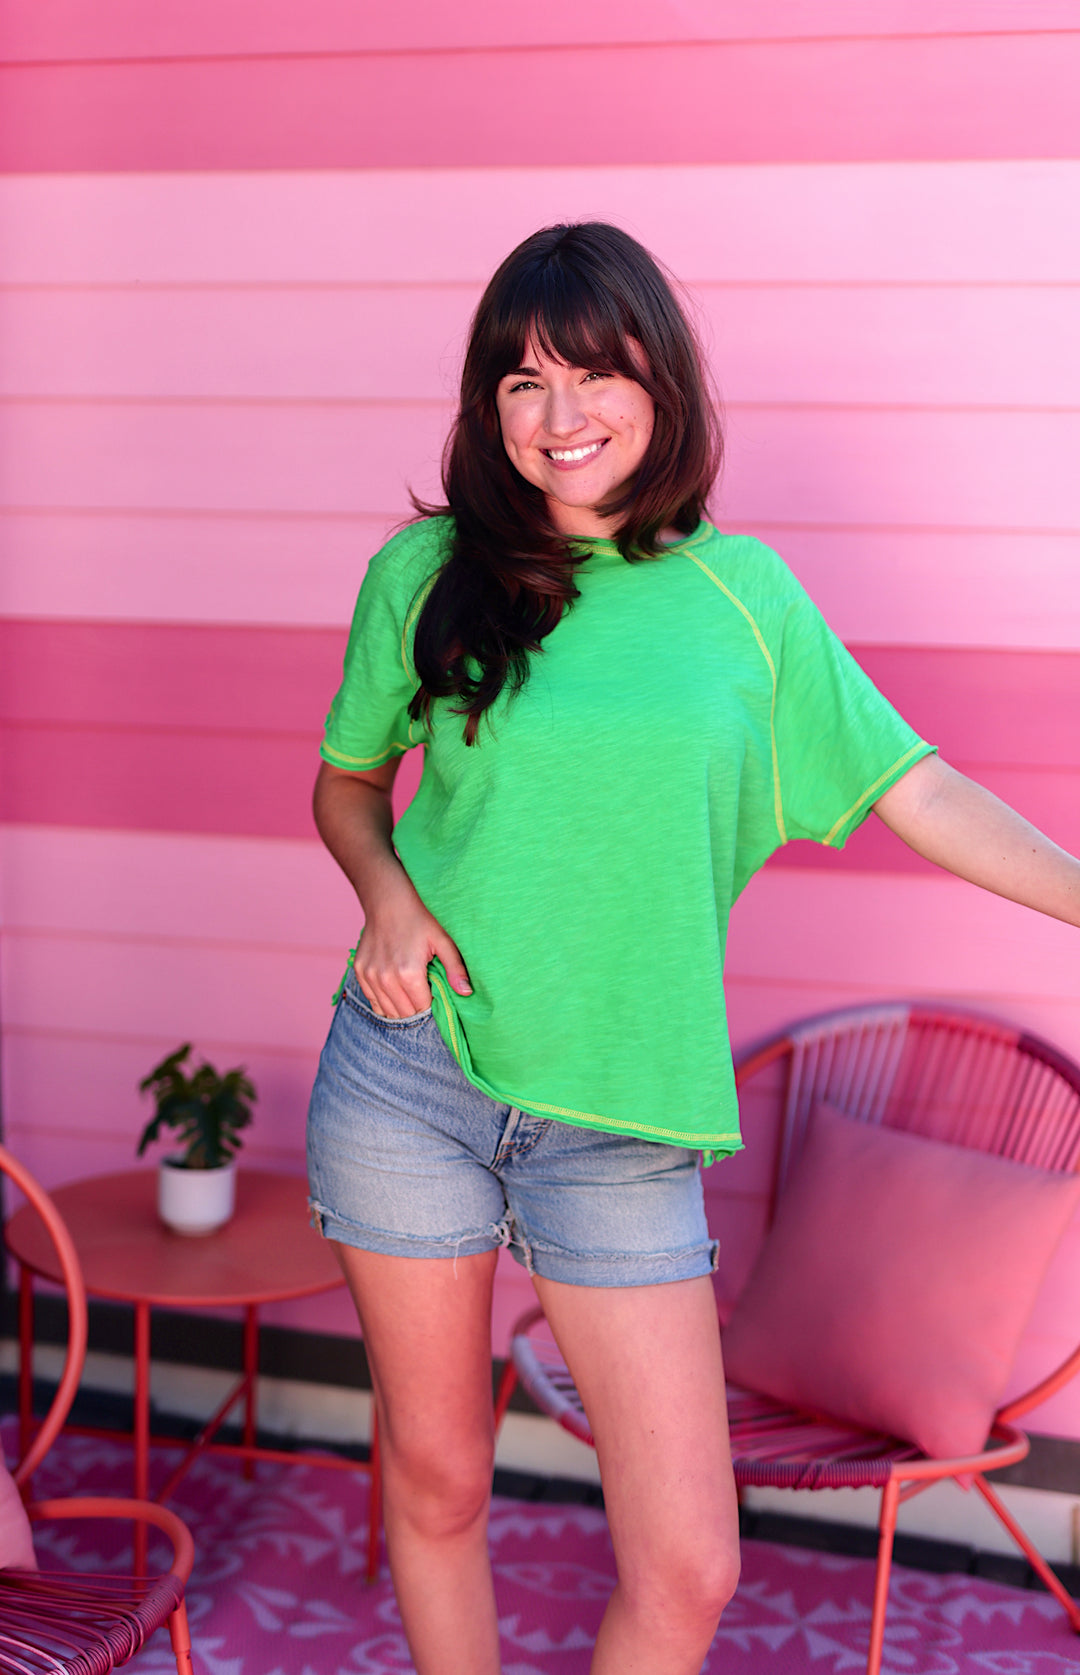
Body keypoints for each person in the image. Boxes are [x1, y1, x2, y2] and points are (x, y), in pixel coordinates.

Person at [307, 222, 1080, 1675]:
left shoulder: (748, 601)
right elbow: (348, 785)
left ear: (664, 381)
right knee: (439, 1476)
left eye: (595, 374)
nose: (560, 417)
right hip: (416, 1075)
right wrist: (388, 901)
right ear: (488, 407)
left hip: (622, 1111)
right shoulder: (427, 569)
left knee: (691, 1564)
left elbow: (915, 787)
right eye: (521, 383)